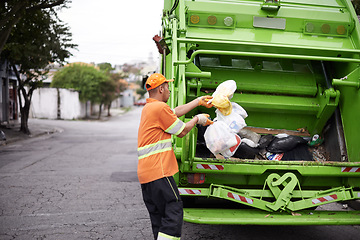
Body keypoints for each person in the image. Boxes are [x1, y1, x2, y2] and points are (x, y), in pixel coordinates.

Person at [137, 73, 213, 240]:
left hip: (147, 175)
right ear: (161, 89)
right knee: (174, 209)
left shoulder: (150, 108)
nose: (170, 91)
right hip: (159, 171)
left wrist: (198, 101)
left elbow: (174, 113)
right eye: (168, 87)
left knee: (159, 216)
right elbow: (182, 131)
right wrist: (197, 119)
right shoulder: (159, 108)